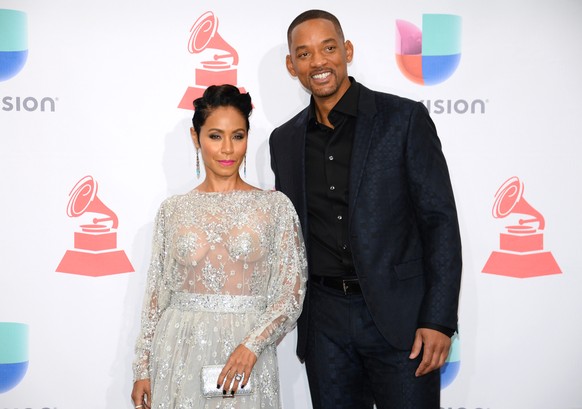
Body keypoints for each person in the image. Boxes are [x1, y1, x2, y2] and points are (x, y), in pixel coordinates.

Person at [269, 9, 462, 409]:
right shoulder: (284, 140)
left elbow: (439, 221)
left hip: (403, 321)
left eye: (328, 48)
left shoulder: (403, 119)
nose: (318, 62)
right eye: (303, 54)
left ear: (347, 50)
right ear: (292, 66)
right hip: (325, 325)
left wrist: (439, 319)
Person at [131, 84, 307, 409]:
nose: (227, 149)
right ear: (195, 137)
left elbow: (290, 295)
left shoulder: (275, 208)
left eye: (237, 136)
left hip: (245, 358)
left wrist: (252, 346)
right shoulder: (173, 210)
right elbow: (157, 295)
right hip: (177, 352)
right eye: (215, 136)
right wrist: (143, 366)